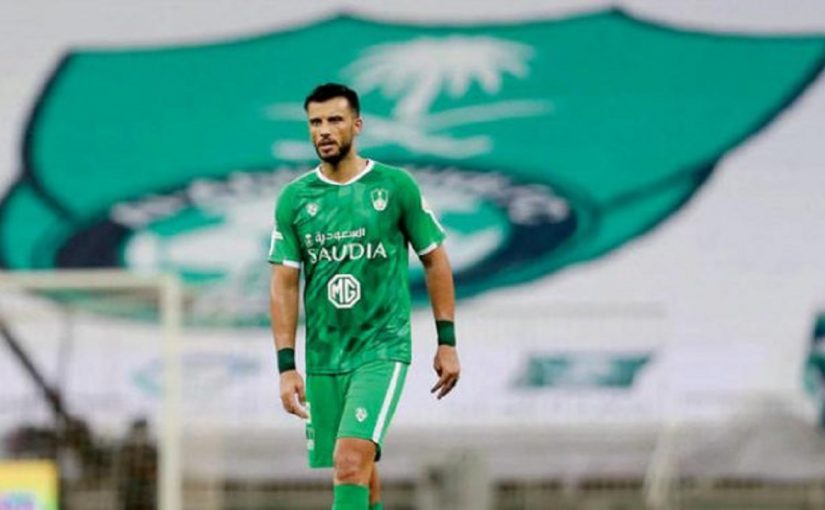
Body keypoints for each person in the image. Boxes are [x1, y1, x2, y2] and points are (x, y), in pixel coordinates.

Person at [268, 83, 461, 510]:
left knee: (350, 461)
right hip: (325, 354)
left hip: (381, 347)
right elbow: (284, 283)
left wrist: (446, 341)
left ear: (357, 125)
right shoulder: (295, 199)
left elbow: (435, 260)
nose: (324, 130)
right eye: (315, 122)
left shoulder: (394, 186)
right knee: (360, 471)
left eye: (334, 120)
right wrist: (286, 366)